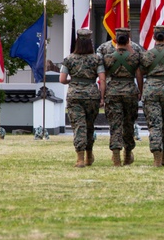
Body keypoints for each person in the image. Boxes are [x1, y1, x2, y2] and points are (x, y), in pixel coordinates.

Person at [60, 29, 105, 168]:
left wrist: (72, 81)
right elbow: (102, 79)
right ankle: (89, 155)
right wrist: (102, 98)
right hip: (92, 95)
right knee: (89, 126)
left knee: (79, 126)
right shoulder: (97, 59)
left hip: (74, 96)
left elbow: (62, 79)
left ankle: (80, 159)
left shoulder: (69, 59)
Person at [102, 27, 142, 166]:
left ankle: (116, 155)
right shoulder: (135, 57)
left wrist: (103, 94)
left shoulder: (107, 57)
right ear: (128, 40)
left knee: (115, 125)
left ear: (115, 40)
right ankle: (127, 154)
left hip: (112, 92)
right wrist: (140, 91)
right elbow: (138, 75)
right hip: (130, 91)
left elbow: (103, 77)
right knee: (129, 124)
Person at [141, 24, 164, 166]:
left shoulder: (146, 54)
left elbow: (141, 71)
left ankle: (157, 157)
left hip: (151, 89)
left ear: (153, 37)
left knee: (155, 124)